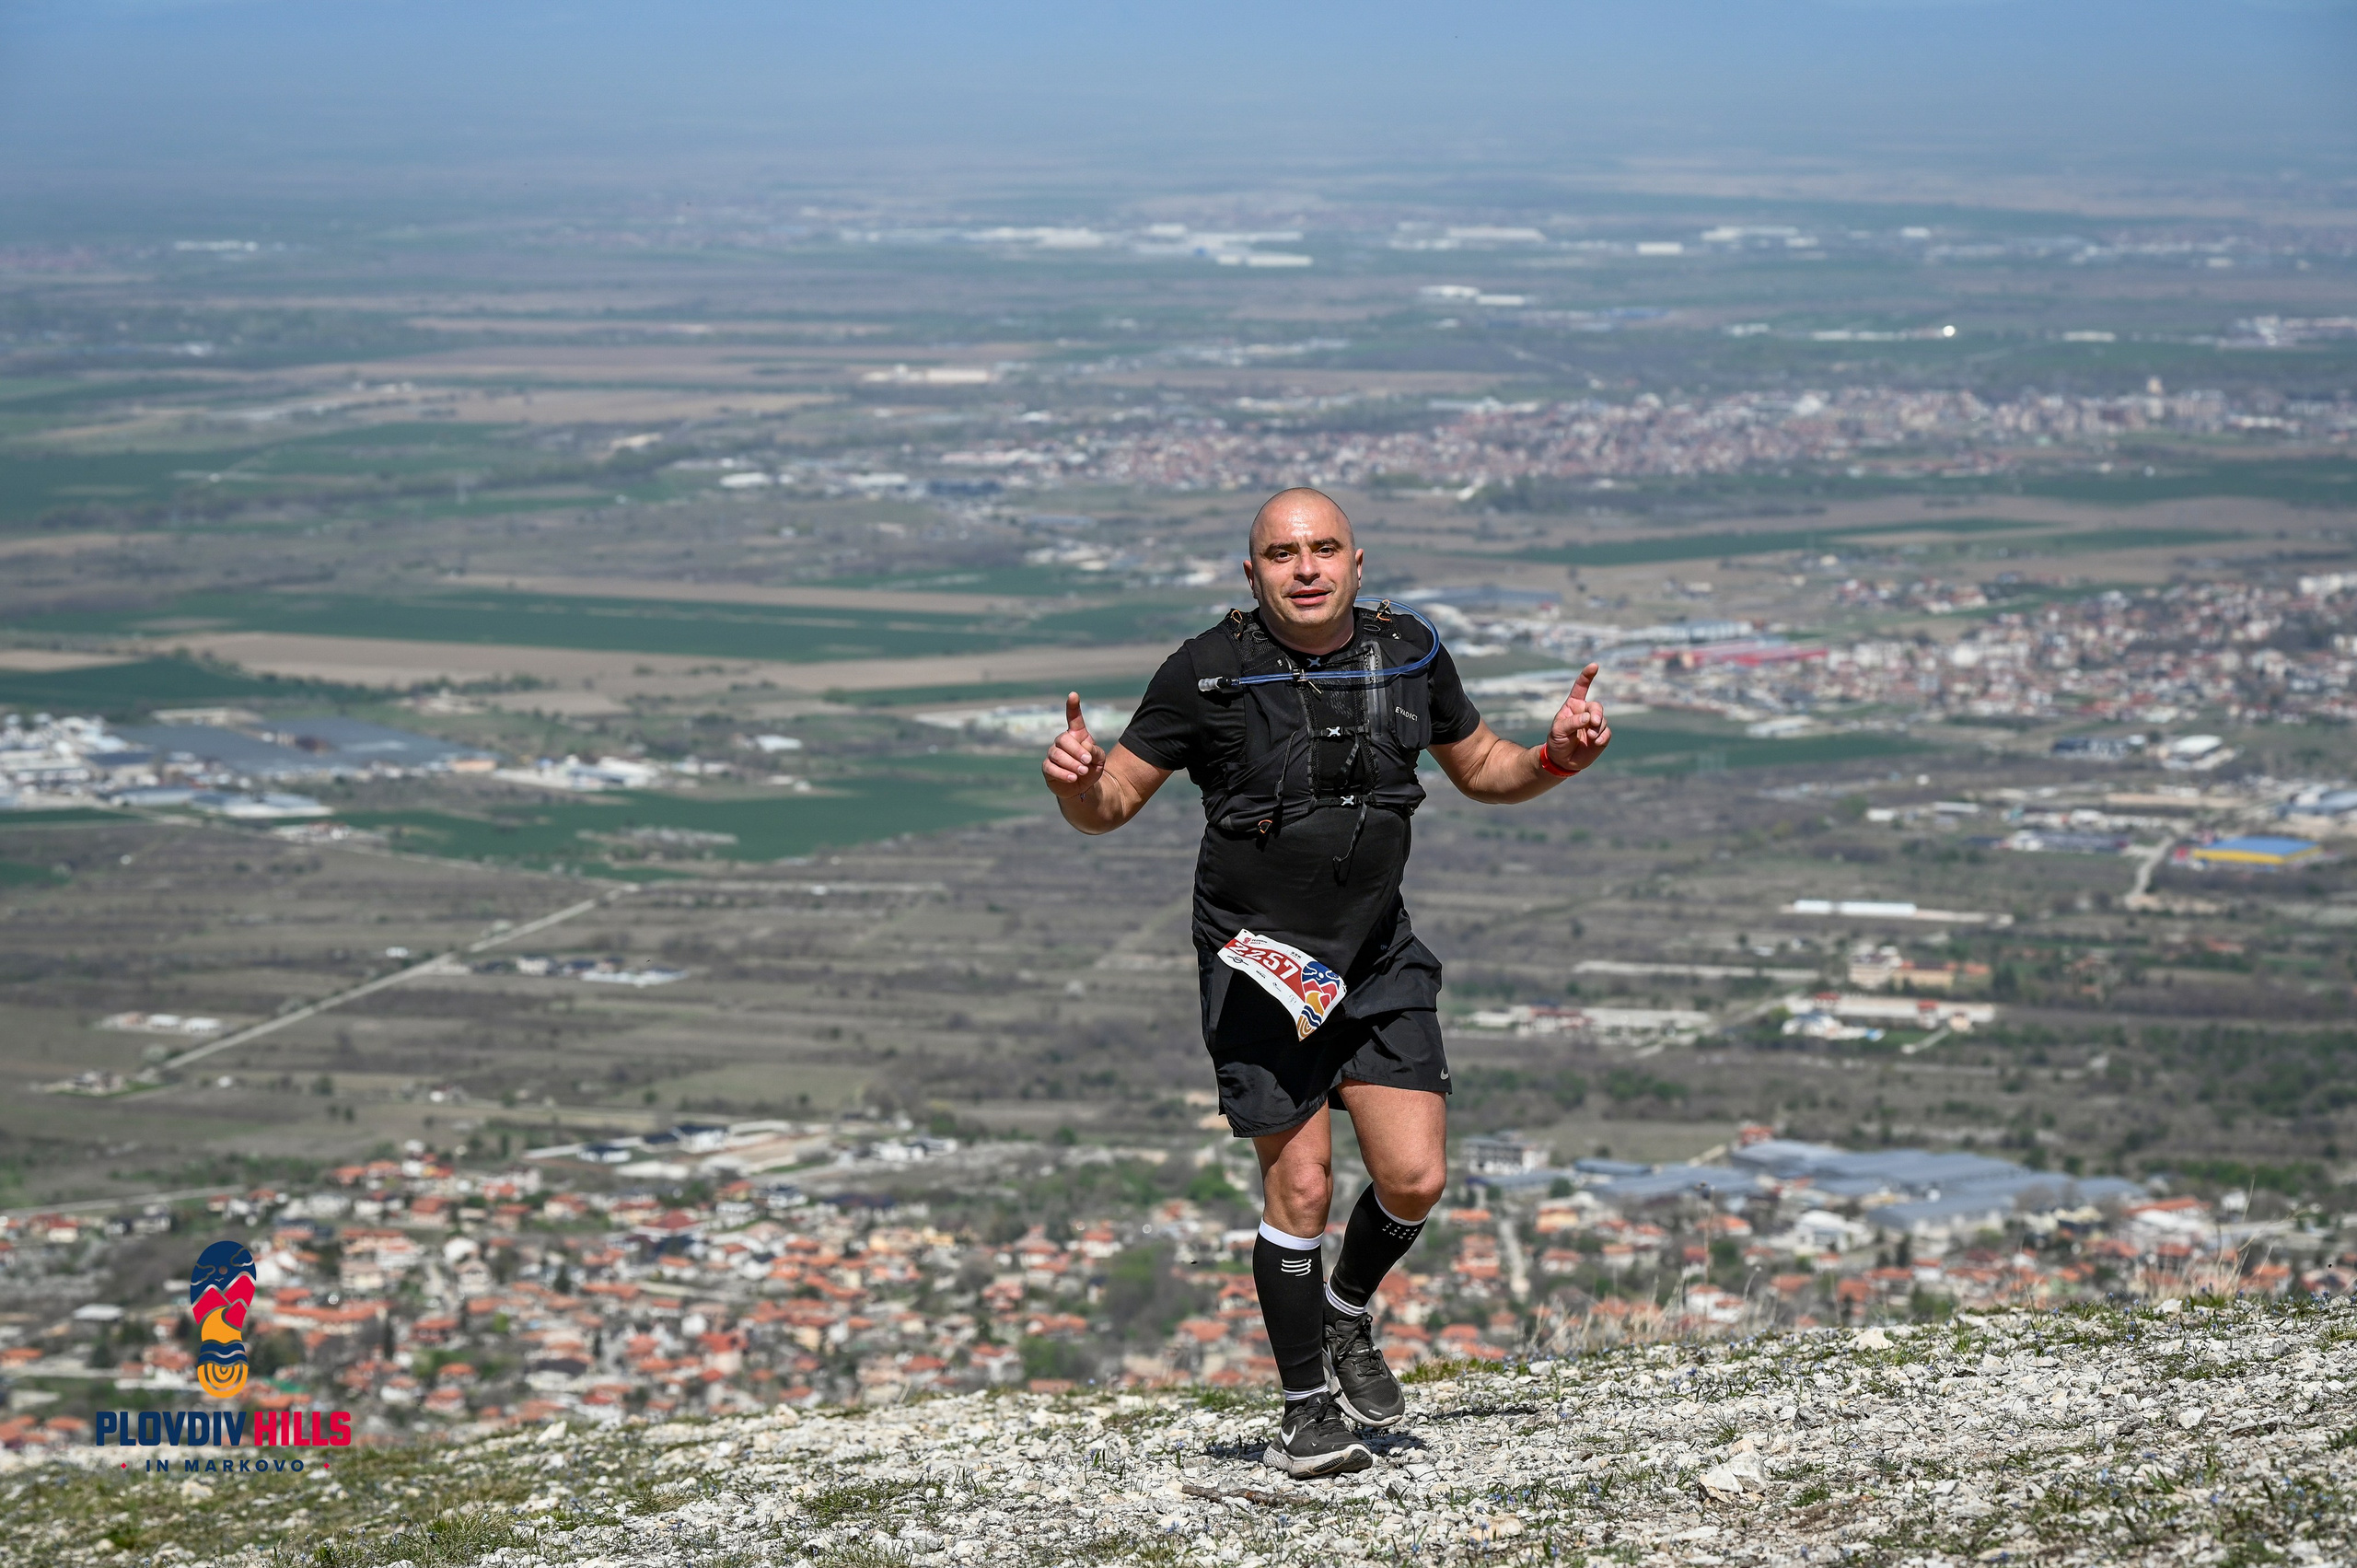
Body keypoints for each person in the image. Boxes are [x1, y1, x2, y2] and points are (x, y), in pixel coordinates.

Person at [1039, 487, 1611, 1477]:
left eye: (1323, 548)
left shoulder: (1412, 650)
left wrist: (1556, 757)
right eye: (1280, 552)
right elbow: (1114, 800)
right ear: (1250, 571)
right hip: (1263, 961)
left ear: (1357, 562)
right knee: (1300, 1183)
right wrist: (1074, 783)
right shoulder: (1204, 671)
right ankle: (1307, 1407)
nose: (1304, 567)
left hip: (1375, 950)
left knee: (1415, 1176)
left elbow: (1481, 766)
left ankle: (1345, 1308)